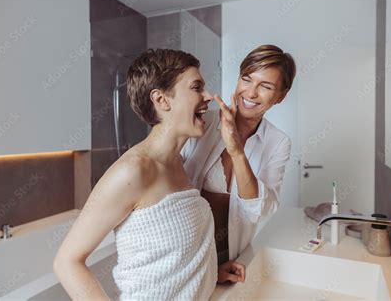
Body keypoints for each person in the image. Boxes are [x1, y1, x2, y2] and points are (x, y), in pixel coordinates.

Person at [53, 49, 225, 300]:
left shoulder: (178, 162)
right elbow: (67, 262)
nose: (208, 96)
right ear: (162, 100)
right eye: (196, 87)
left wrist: (212, 272)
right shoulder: (132, 171)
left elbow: (169, 259)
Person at [181, 44, 296, 282]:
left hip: (227, 258)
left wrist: (235, 150)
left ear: (281, 96)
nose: (251, 93)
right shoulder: (202, 123)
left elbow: (260, 210)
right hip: (183, 252)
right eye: (246, 79)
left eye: (265, 86)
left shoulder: (278, 143)